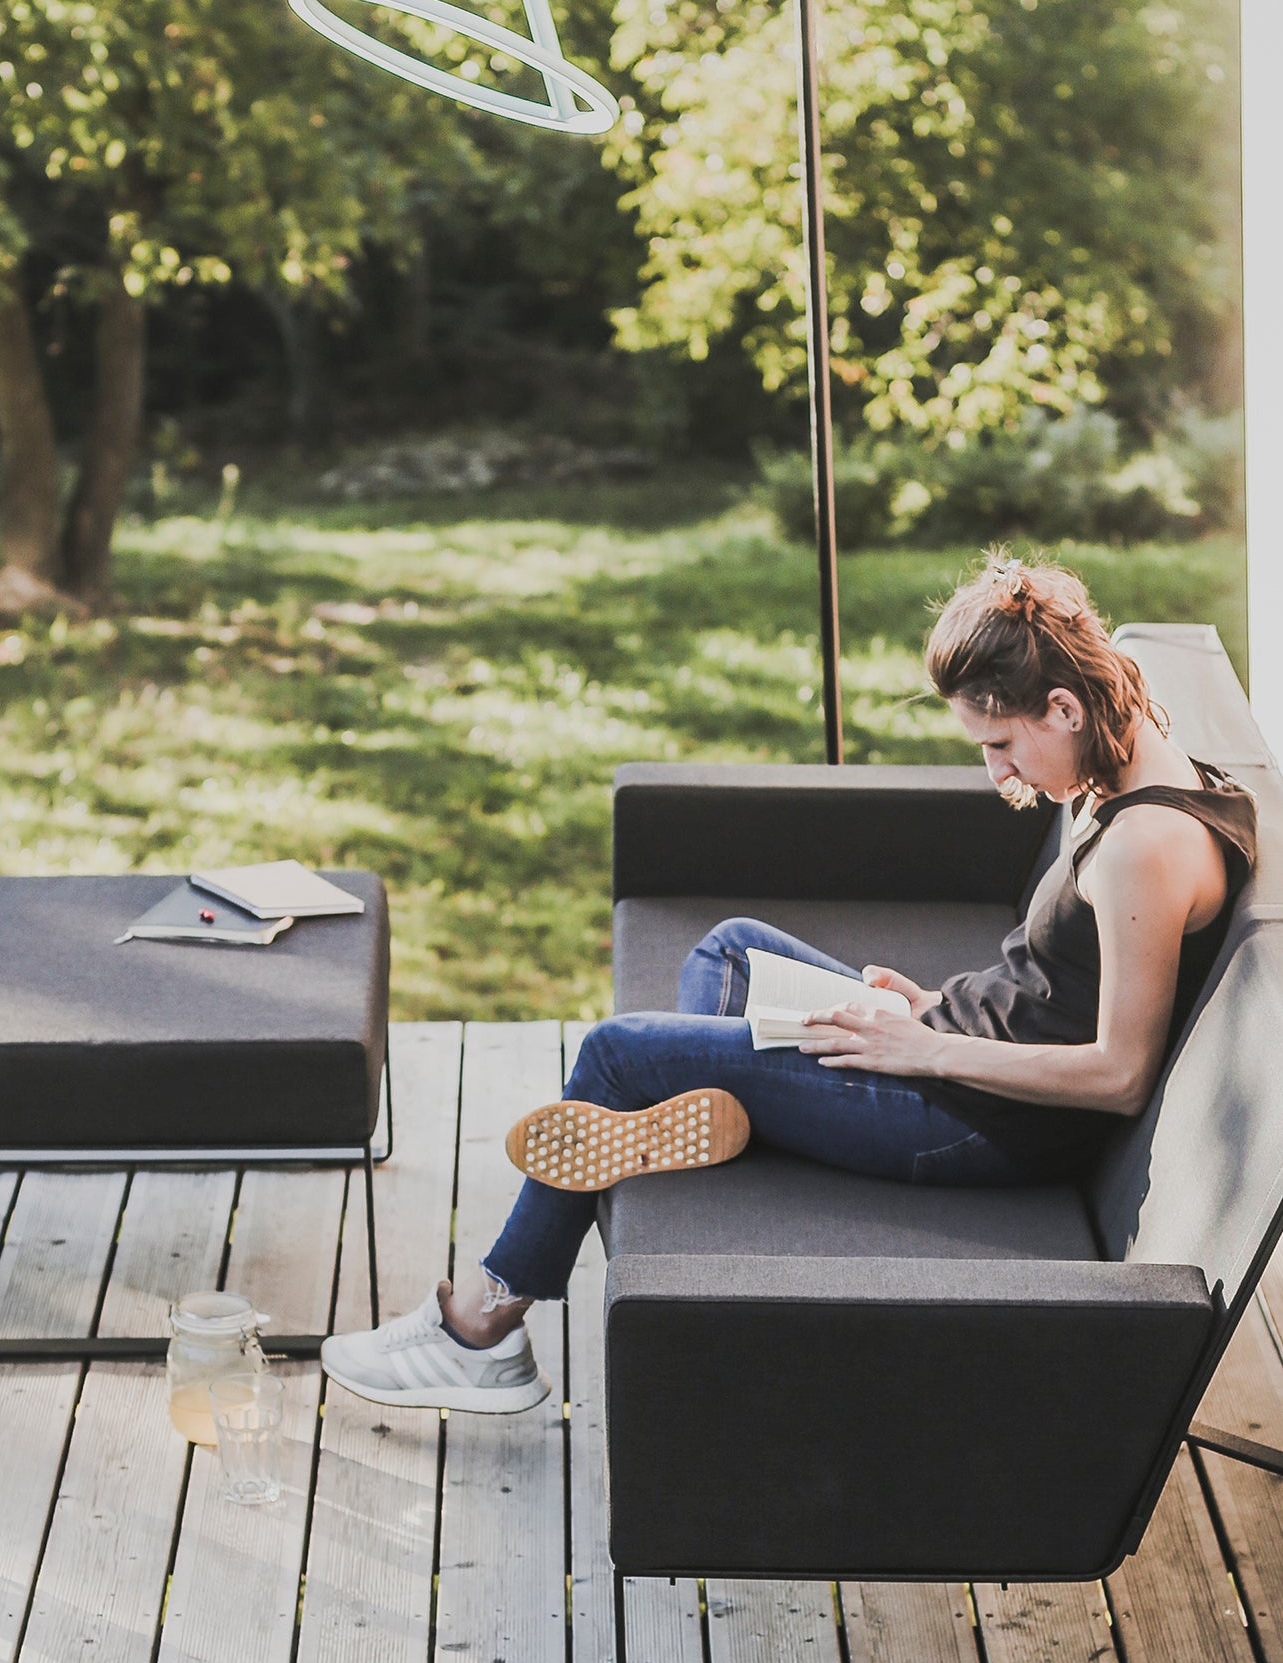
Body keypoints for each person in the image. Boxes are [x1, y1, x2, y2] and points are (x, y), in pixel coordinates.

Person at [322, 553, 1257, 1413]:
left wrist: (924, 1046)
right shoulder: (1125, 746)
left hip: (975, 1119)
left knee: (613, 1055)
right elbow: (1059, 982)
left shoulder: (1147, 845)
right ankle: (731, 1110)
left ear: (1061, 706)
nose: (995, 771)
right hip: (955, 1046)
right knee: (727, 951)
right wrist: (930, 1003)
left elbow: (1119, 1072)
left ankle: (483, 1328)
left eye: (1001, 743)